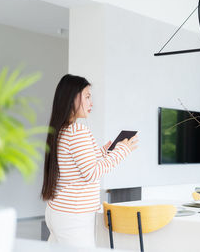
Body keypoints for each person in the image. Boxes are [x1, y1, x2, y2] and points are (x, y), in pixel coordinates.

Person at [41, 74, 138, 248]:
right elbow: (91, 173)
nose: (91, 102)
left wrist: (102, 152)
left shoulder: (61, 130)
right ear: (72, 98)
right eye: (87, 96)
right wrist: (123, 150)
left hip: (57, 211)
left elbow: (74, 165)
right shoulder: (78, 131)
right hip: (74, 215)